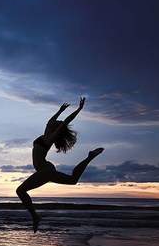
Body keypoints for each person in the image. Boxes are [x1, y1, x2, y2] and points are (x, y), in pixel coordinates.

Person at [16, 97, 104, 233]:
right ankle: (90, 157)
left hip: (46, 170)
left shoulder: (50, 138)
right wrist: (60, 110)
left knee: (20, 191)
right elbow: (50, 121)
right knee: (73, 180)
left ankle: (35, 217)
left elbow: (67, 121)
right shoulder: (46, 133)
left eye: (57, 122)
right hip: (46, 169)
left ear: (56, 128)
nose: (55, 122)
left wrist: (79, 109)